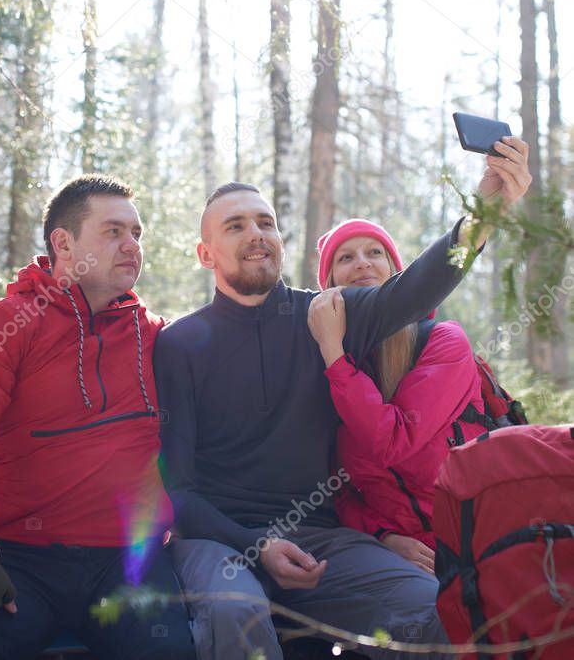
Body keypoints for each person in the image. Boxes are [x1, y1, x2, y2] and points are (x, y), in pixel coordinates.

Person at [153, 137, 531, 660]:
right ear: (205, 253)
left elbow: (418, 287)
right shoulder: (178, 344)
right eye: (235, 226)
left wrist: (486, 208)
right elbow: (180, 493)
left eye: (265, 222)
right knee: (234, 615)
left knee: (433, 609)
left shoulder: (327, 315)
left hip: (321, 538)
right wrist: (256, 546)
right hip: (220, 542)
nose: (255, 234)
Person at [0, 174, 195, 660]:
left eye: (137, 233)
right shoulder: (7, 322)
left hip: (128, 566)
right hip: (22, 558)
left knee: (168, 651)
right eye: (113, 231)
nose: (132, 245)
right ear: (63, 243)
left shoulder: (154, 336)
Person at [312, 217, 488, 576]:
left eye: (374, 252)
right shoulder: (319, 367)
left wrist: (334, 355)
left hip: (475, 542)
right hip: (392, 555)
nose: (362, 262)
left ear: (399, 274)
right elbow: (337, 488)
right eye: (345, 258)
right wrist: (382, 536)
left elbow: (394, 438)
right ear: (328, 287)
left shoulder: (443, 341)